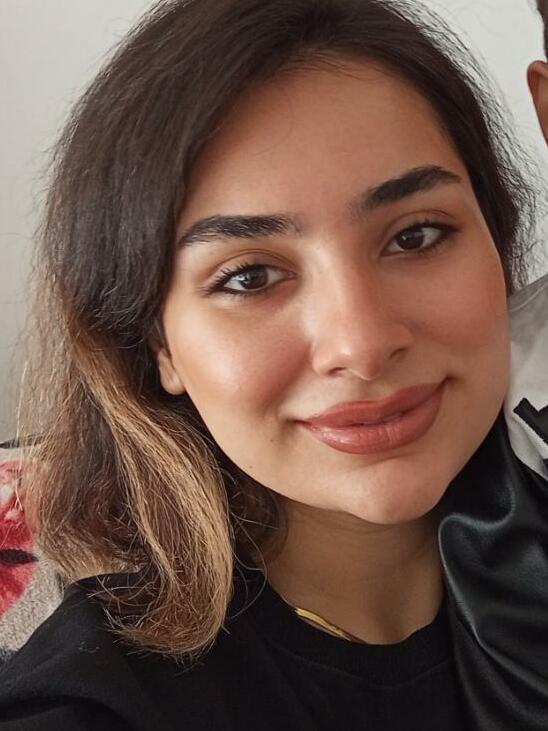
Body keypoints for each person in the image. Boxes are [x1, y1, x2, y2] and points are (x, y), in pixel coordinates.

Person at [0, 0, 544, 729]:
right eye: (250, 277)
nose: (361, 343)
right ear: (158, 344)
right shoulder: (99, 700)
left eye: (416, 235)